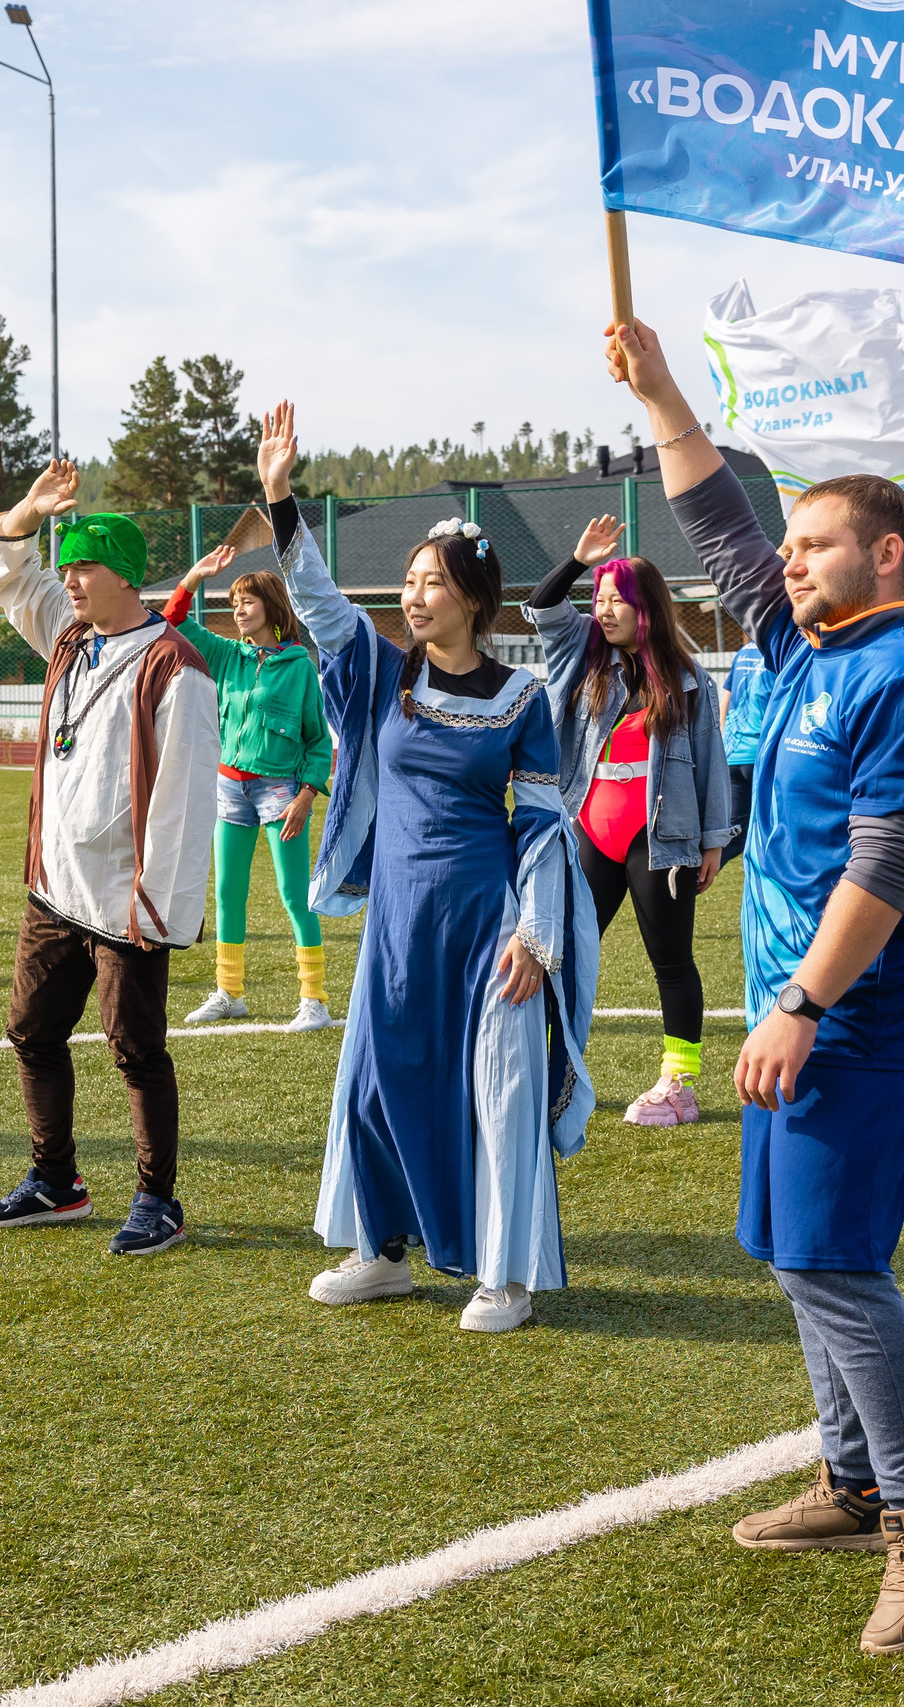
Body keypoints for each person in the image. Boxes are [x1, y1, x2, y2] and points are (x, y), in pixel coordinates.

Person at [610, 317, 904, 1655]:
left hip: (858, 1023)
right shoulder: (799, 647)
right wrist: (664, 391)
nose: (786, 560)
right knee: (788, 1255)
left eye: (817, 542)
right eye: (792, 549)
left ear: (887, 552)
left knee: (837, 1265)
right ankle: (852, 1478)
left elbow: (891, 862)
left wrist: (799, 1003)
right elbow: (719, 515)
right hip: (805, 1011)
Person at [275, 402, 597, 1334]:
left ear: (473, 596)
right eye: (410, 582)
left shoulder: (523, 696)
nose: (414, 596)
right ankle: (379, 1251)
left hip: (486, 922)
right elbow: (320, 605)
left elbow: (540, 827)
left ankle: (505, 1274)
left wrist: (537, 937)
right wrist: (281, 497)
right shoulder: (384, 674)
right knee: (381, 1078)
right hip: (398, 919)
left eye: (431, 583)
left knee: (497, 1091)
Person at [0, 464, 219, 1257]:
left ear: (124, 575)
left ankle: (158, 1200)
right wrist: (31, 512)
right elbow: (5, 571)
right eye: (67, 565)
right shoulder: (70, 636)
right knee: (31, 1030)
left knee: (135, 1048)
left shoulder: (173, 665)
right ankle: (56, 1180)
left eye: (84, 566)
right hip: (55, 889)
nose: (68, 579)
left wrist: (157, 909)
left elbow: (182, 798)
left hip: (124, 901)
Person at [524, 516, 730, 1126]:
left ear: (647, 609)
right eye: (600, 599)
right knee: (560, 949)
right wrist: (579, 559)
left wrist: (713, 841)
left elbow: (711, 767)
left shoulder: (689, 680)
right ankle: (547, 1064)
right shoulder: (583, 655)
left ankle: (678, 1085)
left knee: (671, 958)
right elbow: (541, 606)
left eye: (618, 600)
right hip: (588, 830)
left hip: (660, 839)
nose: (605, 609)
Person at [163, 542, 335, 1032]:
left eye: (247, 601)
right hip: (228, 788)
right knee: (228, 894)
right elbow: (172, 624)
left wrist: (306, 796)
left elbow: (318, 741)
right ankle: (229, 993)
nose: (238, 609)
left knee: (294, 895)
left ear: (272, 608)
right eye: (234, 602)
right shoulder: (226, 655)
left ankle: (314, 1001)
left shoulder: (300, 666)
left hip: (280, 792)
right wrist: (194, 576)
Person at [719, 639, 775, 864]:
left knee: (735, 830)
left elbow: (727, 696)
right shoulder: (780, 651)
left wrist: (723, 737)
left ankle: (693, 875)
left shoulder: (743, 652)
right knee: (769, 829)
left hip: (733, 754)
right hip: (762, 757)